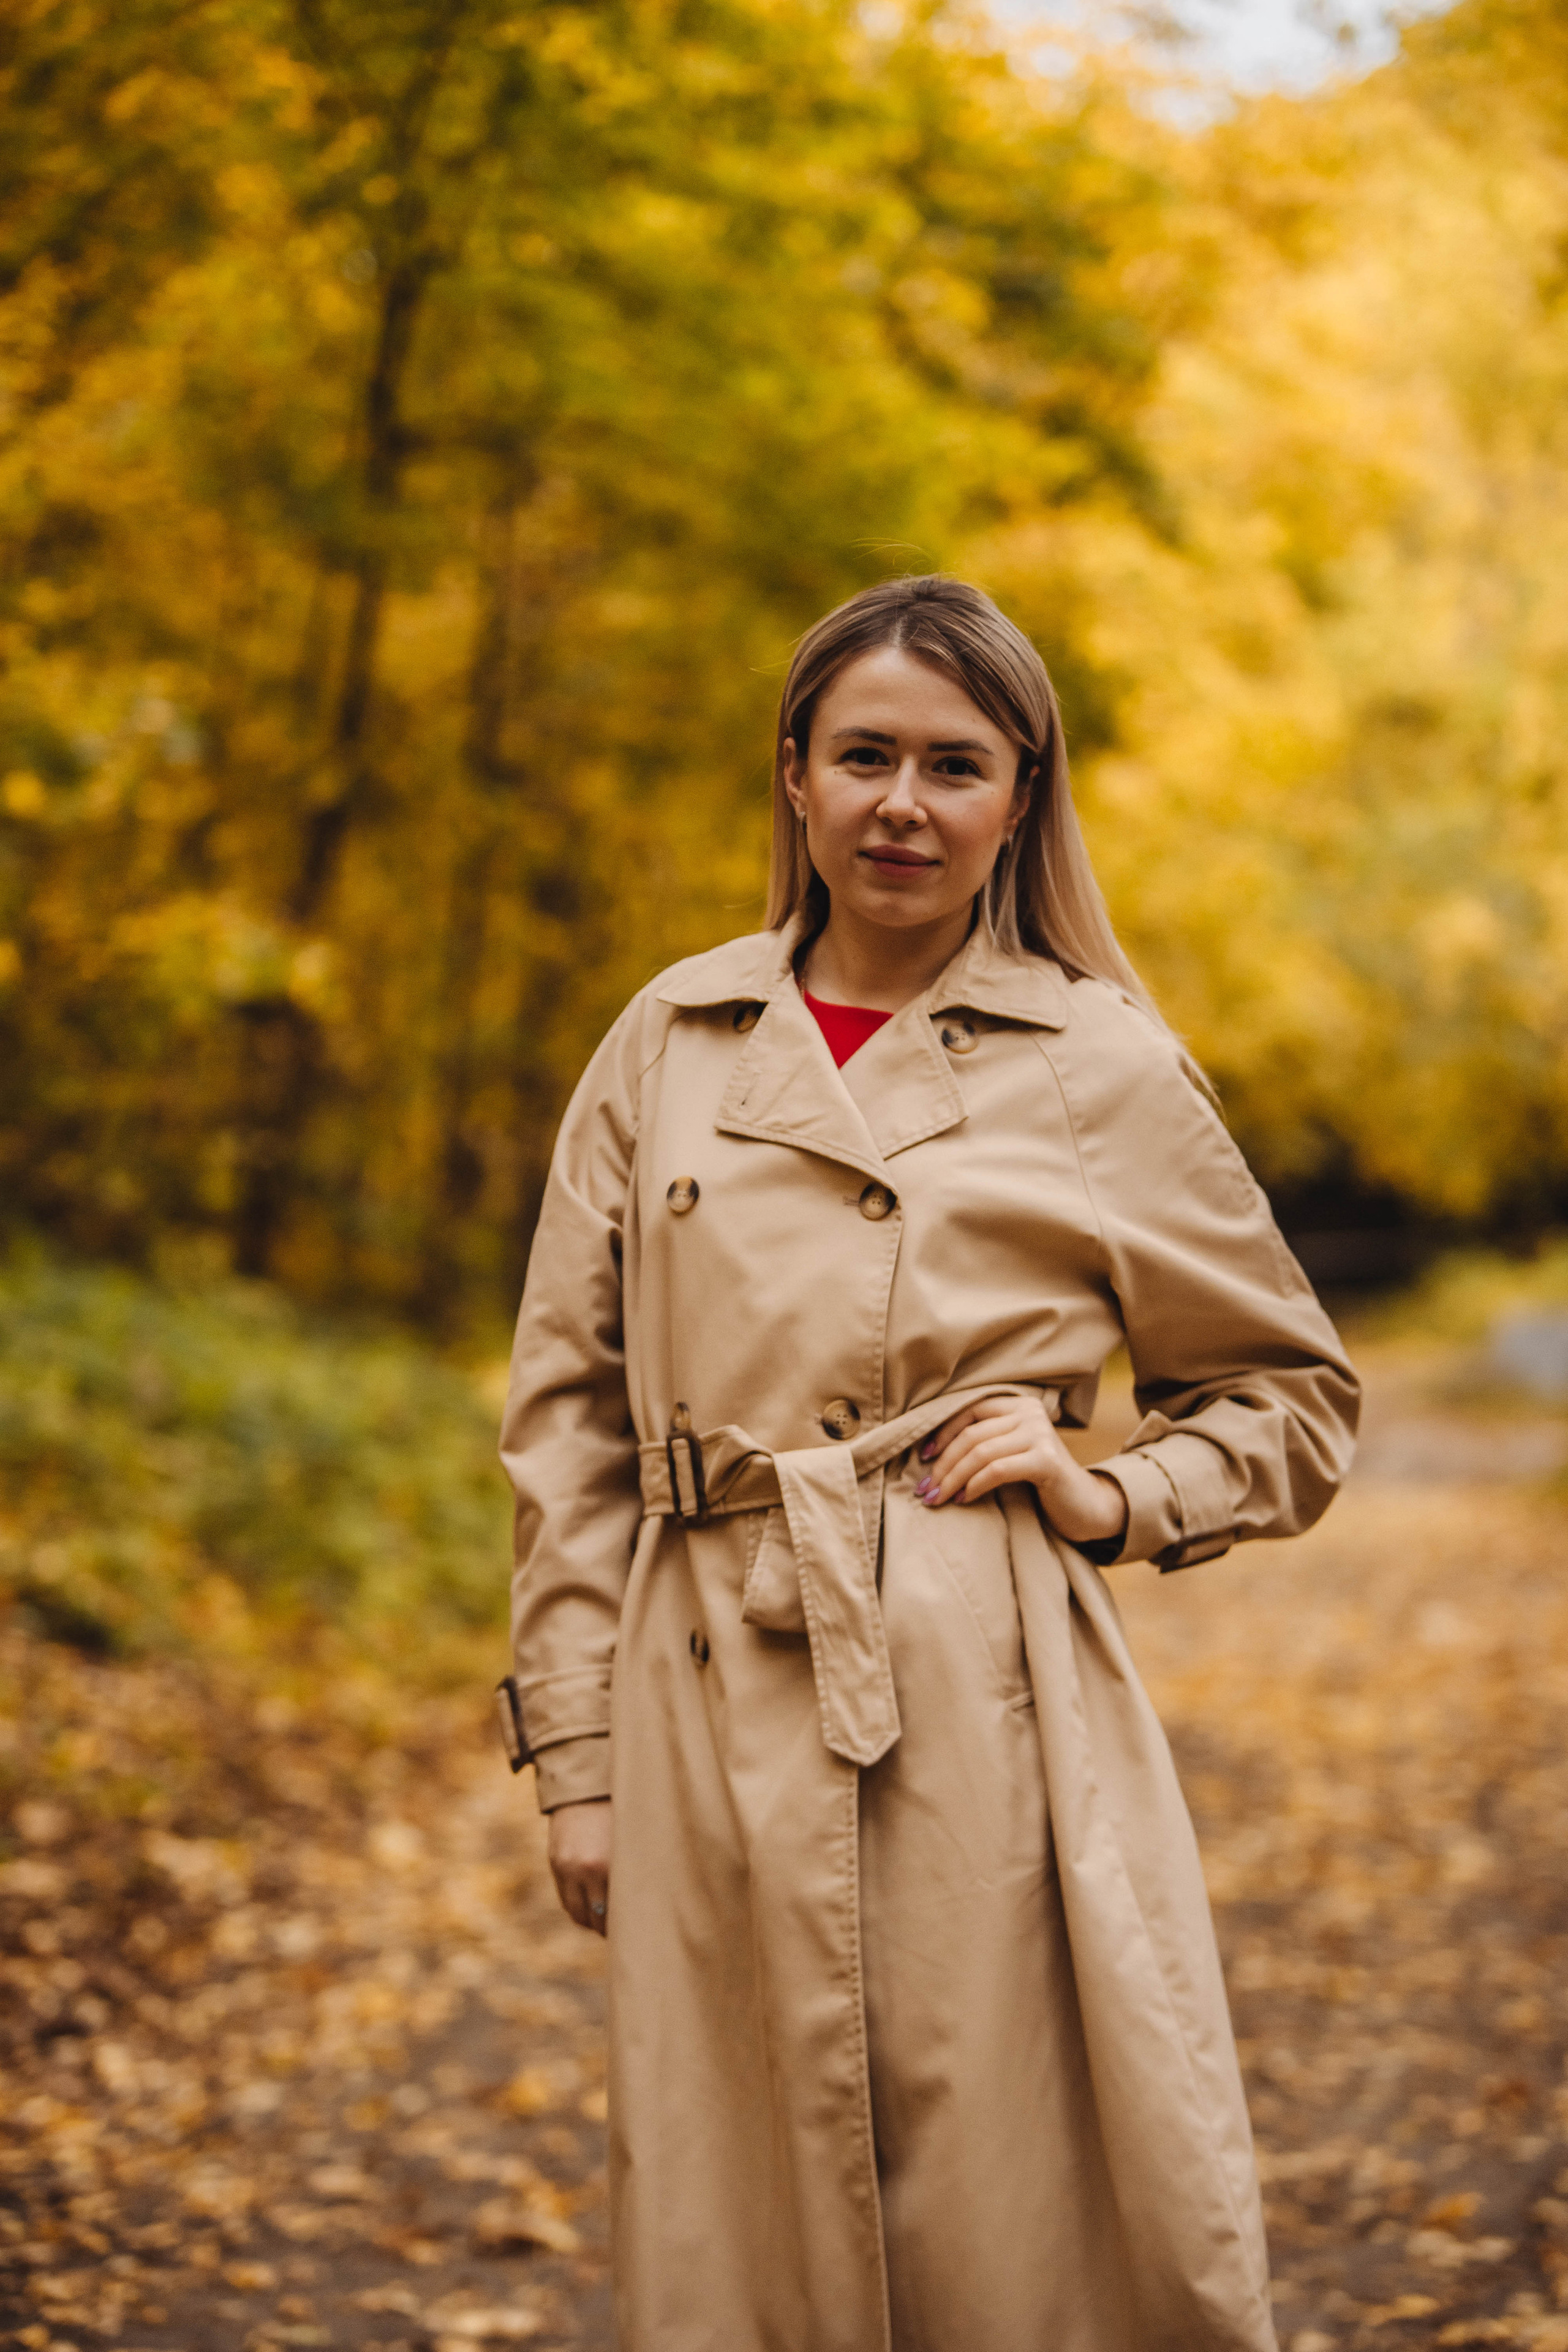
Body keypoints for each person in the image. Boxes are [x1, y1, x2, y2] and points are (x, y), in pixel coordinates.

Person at [499, 574, 1359, 2352]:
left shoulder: (1101, 1061)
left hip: (992, 1695)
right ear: (794, 779)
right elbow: (570, 1427)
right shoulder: (668, 1041)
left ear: (1019, 801)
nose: (904, 803)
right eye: (865, 754)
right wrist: (577, 1759)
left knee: (1014, 2205)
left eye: (954, 766)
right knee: (737, 2211)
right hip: (703, 1680)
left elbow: (1291, 1398)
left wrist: (1110, 1489)